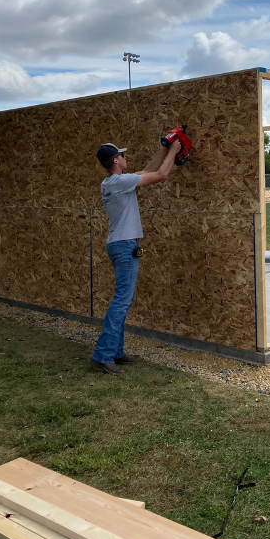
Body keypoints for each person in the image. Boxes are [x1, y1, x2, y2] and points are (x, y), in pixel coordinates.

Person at [90, 138, 182, 374]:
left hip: (118, 244)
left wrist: (164, 148)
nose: (124, 157)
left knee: (121, 298)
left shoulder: (111, 182)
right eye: (121, 154)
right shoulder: (121, 182)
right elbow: (160, 175)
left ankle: (115, 352)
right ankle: (104, 354)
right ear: (116, 161)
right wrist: (174, 150)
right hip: (124, 245)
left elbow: (147, 170)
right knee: (121, 300)